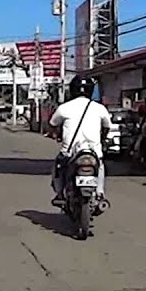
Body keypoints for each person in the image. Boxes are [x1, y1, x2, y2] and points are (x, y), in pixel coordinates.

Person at [49, 74, 113, 207]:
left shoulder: (64, 108)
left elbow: (53, 124)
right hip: (94, 152)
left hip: (69, 152)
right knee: (100, 166)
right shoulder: (99, 108)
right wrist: (102, 139)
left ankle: (60, 194)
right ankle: (100, 193)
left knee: (59, 167)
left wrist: (56, 135)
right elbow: (107, 127)